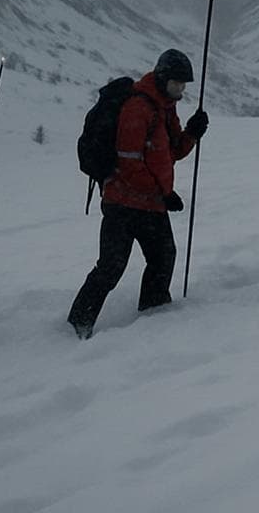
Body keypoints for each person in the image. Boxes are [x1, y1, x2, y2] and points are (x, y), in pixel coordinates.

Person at [67, 48, 208, 338]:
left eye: (184, 85)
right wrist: (163, 192)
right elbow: (129, 162)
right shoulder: (138, 108)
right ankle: (77, 325)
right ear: (163, 78)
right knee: (112, 266)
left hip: (150, 204)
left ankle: (155, 313)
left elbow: (170, 153)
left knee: (163, 256)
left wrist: (192, 133)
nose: (181, 90)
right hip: (122, 203)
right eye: (177, 84)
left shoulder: (165, 107)